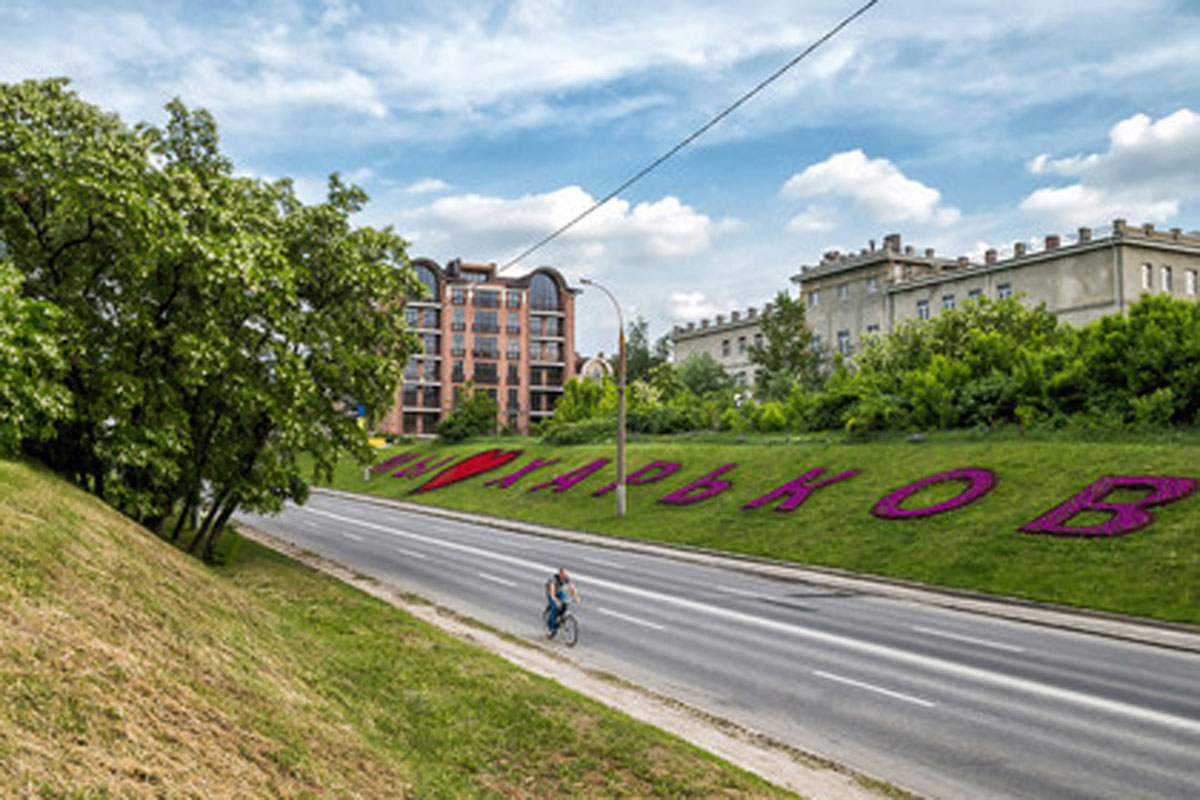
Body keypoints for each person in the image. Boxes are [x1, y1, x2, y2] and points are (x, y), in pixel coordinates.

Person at [546, 566, 581, 634]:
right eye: (563, 575)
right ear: (560, 573)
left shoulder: (566, 578)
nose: (565, 576)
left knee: (565, 601)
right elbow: (552, 587)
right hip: (551, 592)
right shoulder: (554, 579)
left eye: (565, 574)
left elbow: (572, 587)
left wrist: (576, 597)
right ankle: (551, 627)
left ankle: (562, 616)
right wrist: (553, 597)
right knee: (554, 608)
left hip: (559, 592)